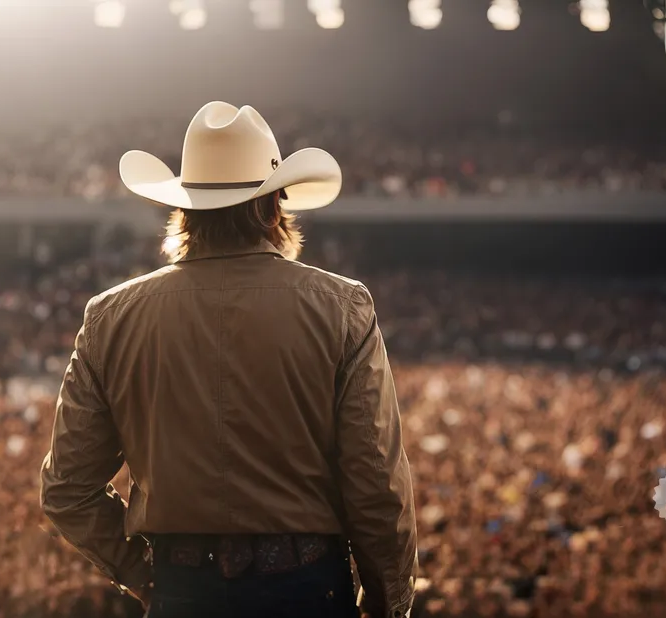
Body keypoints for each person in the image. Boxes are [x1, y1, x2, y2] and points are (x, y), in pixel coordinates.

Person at [40, 101, 418, 618]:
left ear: (184, 209)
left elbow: (66, 489)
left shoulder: (111, 317)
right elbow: (376, 483)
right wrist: (386, 606)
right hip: (307, 588)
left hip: (182, 589)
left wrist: (145, 577)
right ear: (271, 208)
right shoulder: (342, 308)